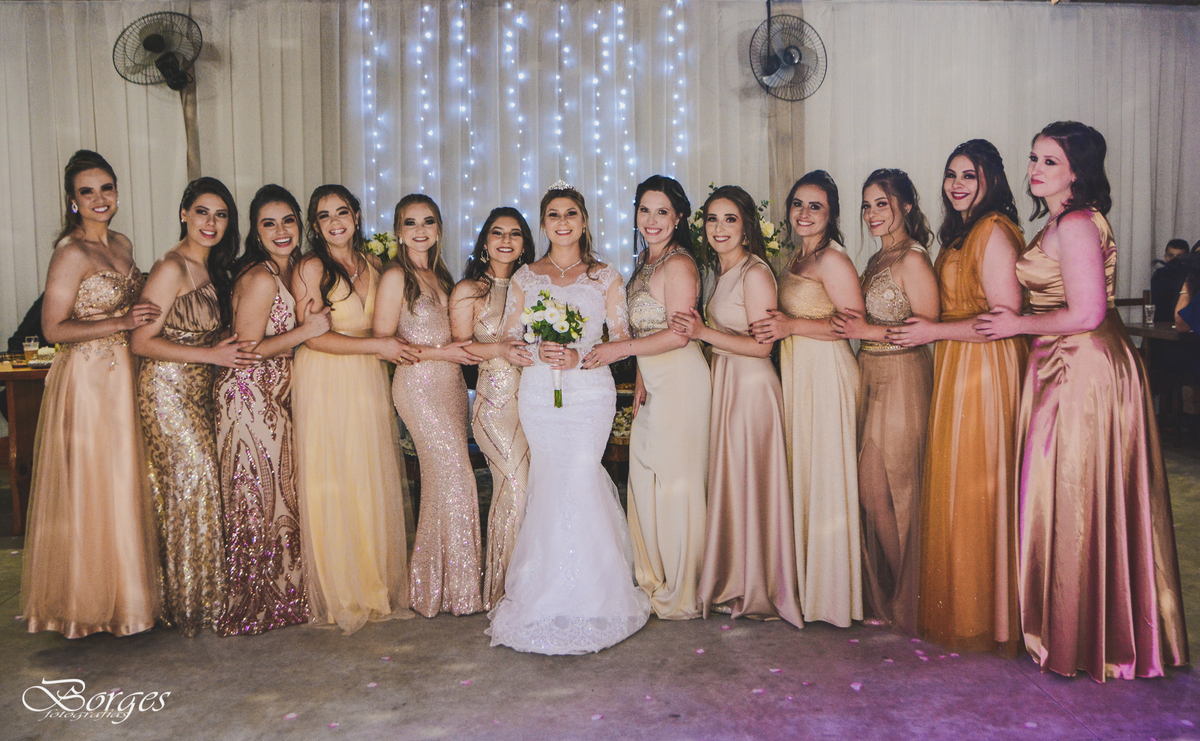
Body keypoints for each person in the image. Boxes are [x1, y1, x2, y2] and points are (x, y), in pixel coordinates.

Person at [977, 120, 1189, 680]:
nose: (1035, 169)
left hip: (1083, 366)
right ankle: (1085, 625)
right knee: (1073, 492)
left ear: (1078, 171)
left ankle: (1086, 635)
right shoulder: (1063, 220)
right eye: (1033, 158)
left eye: (1049, 161)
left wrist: (1017, 323)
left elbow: (1089, 312)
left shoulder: (1074, 224)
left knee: (1074, 491)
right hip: (1068, 361)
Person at [488, 181, 650, 654]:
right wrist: (537, 348)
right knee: (550, 479)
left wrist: (580, 356)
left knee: (580, 474)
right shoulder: (525, 277)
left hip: (589, 393)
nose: (563, 222)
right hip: (540, 392)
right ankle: (546, 592)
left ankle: (597, 594)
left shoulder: (605, 276)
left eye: (571, 214)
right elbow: (509, 338)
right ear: (543, 224)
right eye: (554, 215)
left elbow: (620, 340)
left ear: (583, 222)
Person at [887, 141, 1026, 653]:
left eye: (970, 175)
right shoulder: (962, 232)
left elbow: (1004, 318)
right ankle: (967, 605)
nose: (957, 184)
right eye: (951, 174)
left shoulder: (993, 230)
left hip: (986, 369)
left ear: (992, 180)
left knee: (977, 488)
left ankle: (989, 616)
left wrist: (932, 333)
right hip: (958, 362)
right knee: (958, 488)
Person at [19, 150, 162, 638]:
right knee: (94, 485)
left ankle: (129, 600)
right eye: (87, 191)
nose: (99, 199)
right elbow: (53, 328)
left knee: (123, 482)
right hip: (87, 381)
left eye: (106, 188)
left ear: (117, 193)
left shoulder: (122, 243)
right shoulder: (71, 253)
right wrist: (121, 321)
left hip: (124, 376)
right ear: (73, 201)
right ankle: (86, 604)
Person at [672, 185, 803, 628]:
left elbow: (763, 347)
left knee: (752, 484)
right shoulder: (721, 271)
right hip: (729, 381)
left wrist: (702, 333)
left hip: (751, 388)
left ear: (746, 227)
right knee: (736, 483)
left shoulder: (755, 273)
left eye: (729, 219)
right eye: (712, 219)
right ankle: (737, 580)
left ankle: (759, 587)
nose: (719, 228)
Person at [581, 175, 711, 621]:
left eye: (662, 211)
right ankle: (654, 577)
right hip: (653, 380)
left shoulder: (680, 264)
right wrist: (638, 374)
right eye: (644, 210)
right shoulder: (643, 261)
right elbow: (644, 329)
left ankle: (684, 587)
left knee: (677, 484)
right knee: (645, 478)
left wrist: (618, 351)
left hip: (682, 381)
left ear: (678, 218)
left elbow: (679, 335)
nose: (651, 220)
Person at [132, 176, 257, 637]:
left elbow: (202, 331)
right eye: (202, 212)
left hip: (200, 389)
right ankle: (190, 603)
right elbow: (141, 341)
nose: (211, 222)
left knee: (200, 488)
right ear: (184, 213)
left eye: (221, 215)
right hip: (166, 391)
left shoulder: (215, 269)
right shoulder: (171, 267)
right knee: (194, 483)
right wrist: (212, 355)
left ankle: (204, 595)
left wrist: (221, 344)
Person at [291, 184, 416, 634]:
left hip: (368, 378)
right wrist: (377, 346)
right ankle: (342, 589)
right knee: (335, 476)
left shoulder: (375, 264)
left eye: (341, 212)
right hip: (326, 376)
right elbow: (312, 337)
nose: (335, 222)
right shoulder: (310, 267)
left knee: (368, 474)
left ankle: (373, 582)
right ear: (316, 224)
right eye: (324, 216)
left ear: (357, 216)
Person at [213, 185, 331, 636]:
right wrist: (306, 332)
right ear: (256, 232)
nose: (281, 231)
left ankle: (284, 597)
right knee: (257, 498)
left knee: (280, 497)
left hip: (275, 399)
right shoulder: (261, 278)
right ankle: (253, 602)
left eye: (288, 221)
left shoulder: (294, 270)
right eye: (269, 223)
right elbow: (246, 351)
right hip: (247, 399)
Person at [748, 170, 862, 628]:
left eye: (815, 205)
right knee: (807, 474)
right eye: (798, 204)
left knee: (827, 476)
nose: (804, 213)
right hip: (800, 372)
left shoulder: (833, 259)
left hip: (827, 372)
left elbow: (854, 322)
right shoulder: (797, 256)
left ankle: (833, 597)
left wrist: (791, 326)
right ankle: (809, 587)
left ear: (831, 213)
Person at [832, 168, 939, 635]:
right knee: (872, 490)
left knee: (896, 489)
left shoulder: (912, 259)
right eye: (866, 205)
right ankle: (901, 588)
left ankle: (911, 597)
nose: (872, 213)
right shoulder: (878, 257)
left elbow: (928, 327)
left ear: (906, 206)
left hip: (903, 376)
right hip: (871, 374)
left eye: (882, 203)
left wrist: (865, 331)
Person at [375, 193, 484, 618]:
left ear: (438, 229)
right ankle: (458, 588)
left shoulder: (440, 275)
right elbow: (385, 344)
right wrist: (444, 353)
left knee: (443, 483)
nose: (420, 230)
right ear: (398, 232)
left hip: (451, 387)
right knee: (458, 476)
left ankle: (432, 587)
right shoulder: (395, 276)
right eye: (410, 222)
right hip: (418, 388)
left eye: (428, 222)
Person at [448, 207, 535, 611]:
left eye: (514, 234)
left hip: (534, 403)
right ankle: (504, 590)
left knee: (535, 490)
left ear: (524, 244)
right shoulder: (468, 290)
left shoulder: (532, 286)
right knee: (515, 486)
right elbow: (460, 348)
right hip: (494, 404)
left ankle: (533, 583)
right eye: (497, 233)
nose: (505, 240)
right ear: (485, 241)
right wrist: (499, 349)